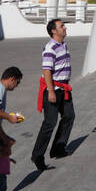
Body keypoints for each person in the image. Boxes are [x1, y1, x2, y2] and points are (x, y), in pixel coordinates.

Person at [32, 18, 75, 169]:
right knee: (50, 123)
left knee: (69, 116)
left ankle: (58, 148)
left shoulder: (63, 45)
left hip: (64, 89)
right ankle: (37, 156)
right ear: (53, 31)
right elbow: (46, 70)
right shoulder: (50, 48)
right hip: (53, 90)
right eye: (61, 26)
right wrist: (50, 91)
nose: (64, 28)